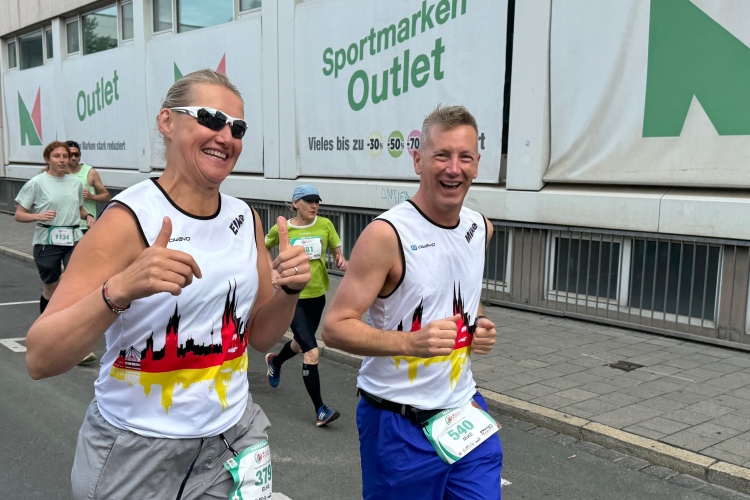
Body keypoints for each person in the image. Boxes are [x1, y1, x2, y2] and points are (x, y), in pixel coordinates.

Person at [24, 69, 311, 500]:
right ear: (167, 122)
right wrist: (119, 290)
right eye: (210, 118)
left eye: (237, 128)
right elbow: (40, 357)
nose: (226, 136)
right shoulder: (127, 219)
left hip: (232, 437)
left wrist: (289, 291)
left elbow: (258, 337)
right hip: (137, 450)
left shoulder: (245, 217)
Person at [322, 105, 503, 499]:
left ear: (476, 165)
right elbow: (334, 327)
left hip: (464, 414)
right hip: (398, 422)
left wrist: (478, 325)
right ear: (418, 160)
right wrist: (411, 343)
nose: (453, 168)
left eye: (464, 157)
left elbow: (461, 293)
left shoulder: (480, 228)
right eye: (442, 155)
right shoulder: (387, 235)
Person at [264, 184, 347, 427]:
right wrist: (270, 269)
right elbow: (263, 245)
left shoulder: (326, 225)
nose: (314, 205)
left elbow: (336, 250)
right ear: (296, 204)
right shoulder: (284, 230)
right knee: (312, 352)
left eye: (317, 201)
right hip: (292, 298)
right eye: (309, 201)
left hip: (318, 295)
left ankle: (275, 362)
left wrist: (340, 258)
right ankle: (320, 410)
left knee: (300, 344)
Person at [14, 141, 92, 314]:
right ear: (47, 159)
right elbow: (19, 215)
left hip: (74, 239)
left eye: (65, 156)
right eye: (57, 156)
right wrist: (38, 216)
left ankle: (69, 321)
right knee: (52, 286)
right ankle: (46, 321)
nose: (62, 160)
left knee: (74, 283)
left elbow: (79, 209)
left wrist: (88, 216)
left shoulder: (76, 184)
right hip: (47, 241)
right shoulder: (37, 183)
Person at [65, 140, 111, 234]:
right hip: (65, 225)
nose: (73, 158)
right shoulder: (60, 173)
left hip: (86, 225)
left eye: (76, 155)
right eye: (70, 155)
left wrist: (92, 196)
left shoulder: (90, 172)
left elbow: (107, 197)